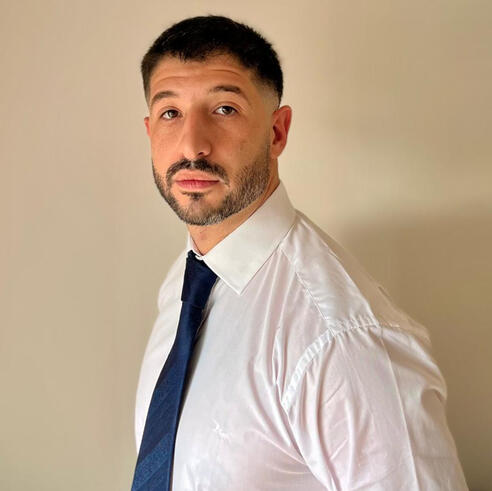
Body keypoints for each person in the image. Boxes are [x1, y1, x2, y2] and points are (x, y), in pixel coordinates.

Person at [132, 15, 468, 490]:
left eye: (224, 108)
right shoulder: (184, 284)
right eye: (171, 113)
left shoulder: (343, 339)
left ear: (277, 132)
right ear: (150, 132)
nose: (192, 144)